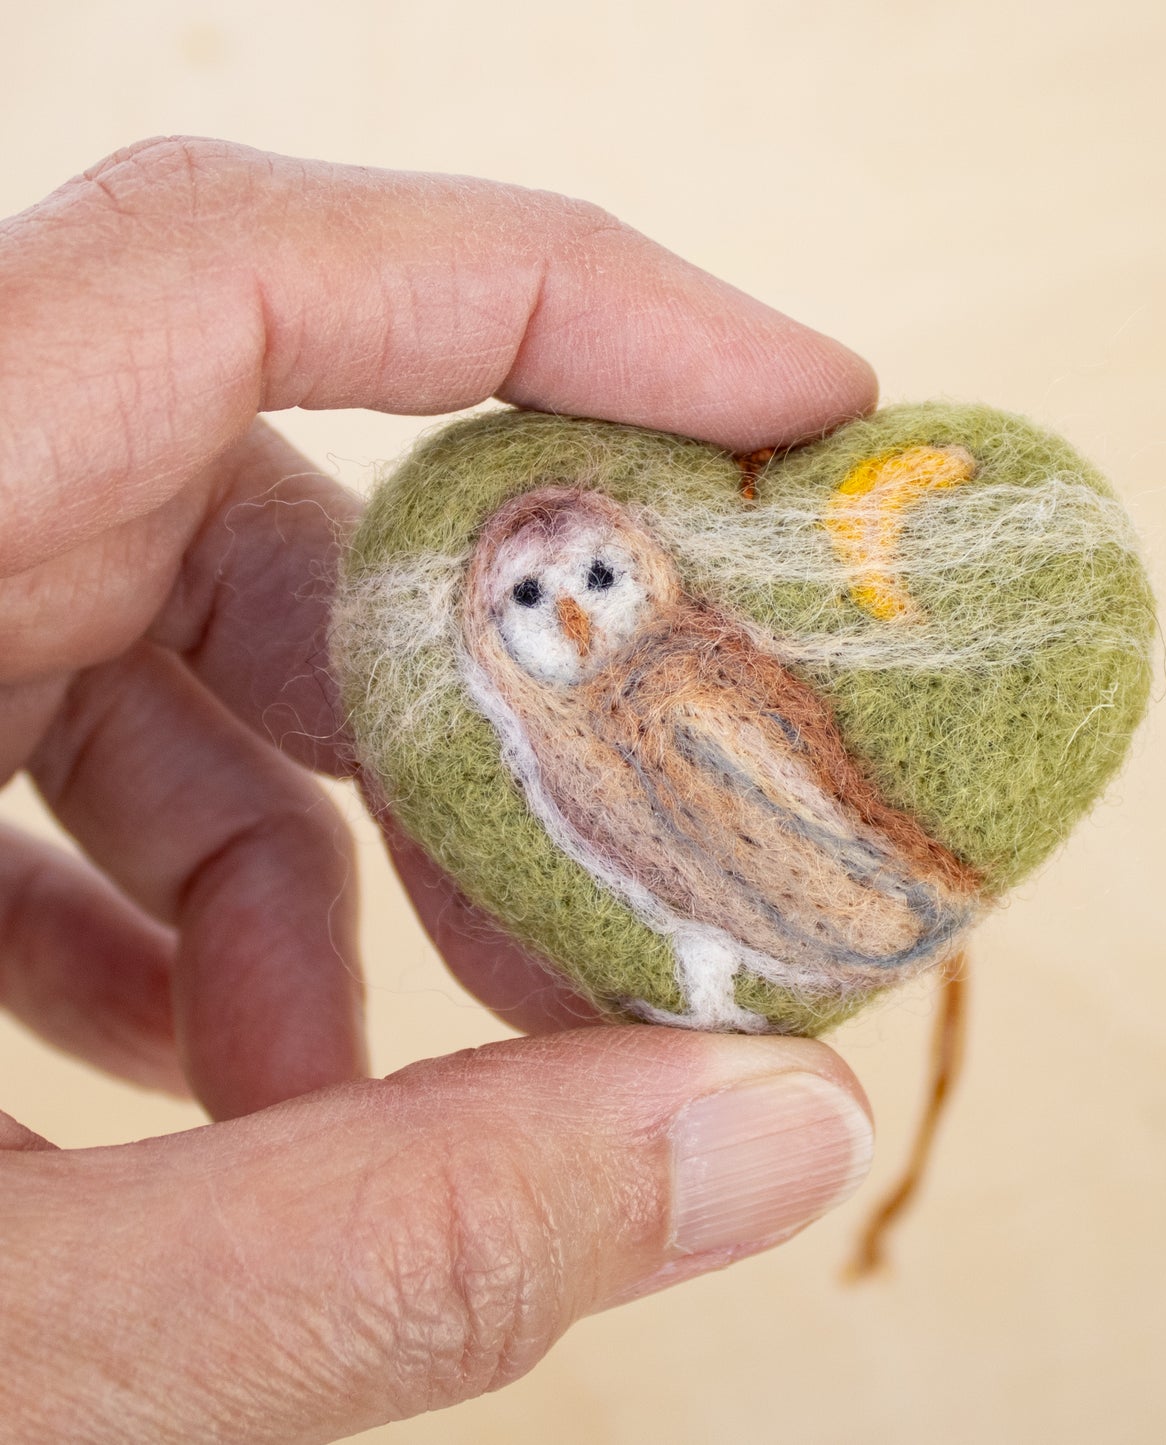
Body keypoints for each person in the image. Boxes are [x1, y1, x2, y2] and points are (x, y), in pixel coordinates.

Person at [0, 137, 879, 1442]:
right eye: (528, 600)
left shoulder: (680, 690)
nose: (573, 628)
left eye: (591, 586)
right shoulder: (534, 724)